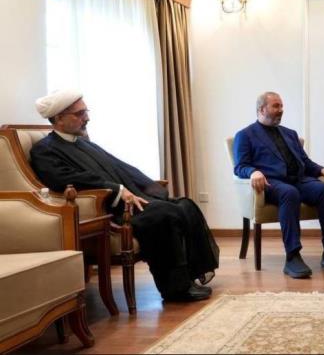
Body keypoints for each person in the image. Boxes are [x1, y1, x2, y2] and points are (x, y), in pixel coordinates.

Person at [30, 90, 219, 302]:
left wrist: (149, 189)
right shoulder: (45, 150)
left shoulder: (84, 143)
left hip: (131, 200)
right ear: (59, 118)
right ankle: (176, 289)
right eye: (80, 113)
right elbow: (63, 179)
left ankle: (191, 275)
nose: (87, 118)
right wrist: (117, 190)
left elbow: (122, 168)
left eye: (86, 111)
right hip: (111, 210)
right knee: (164, 214)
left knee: (185, 205)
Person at [233, 91, 324, 279]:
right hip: (272, 183)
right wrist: (253, 172)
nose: (281, 110)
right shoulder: (245, 135)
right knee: (289, 193)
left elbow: (305, 162)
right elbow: (240, 166)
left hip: (299, 180)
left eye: (281, 106)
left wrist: (321, 170)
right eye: (276, 106)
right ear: (262, 109)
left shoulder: (290, 134)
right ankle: (292, 257)